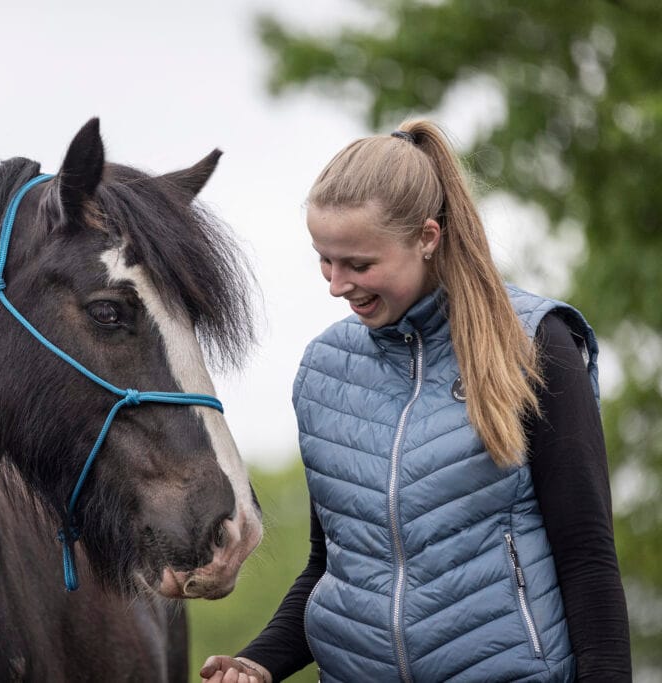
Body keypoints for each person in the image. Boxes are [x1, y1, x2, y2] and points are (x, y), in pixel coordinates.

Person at [201, 121, 630, 682]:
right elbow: (333, 569)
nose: (336, 283)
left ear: (427, 237)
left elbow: (586, 555)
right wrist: (258, 663)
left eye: (359, 264)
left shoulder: (535, 344)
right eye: (325, 259)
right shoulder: (324, 372)